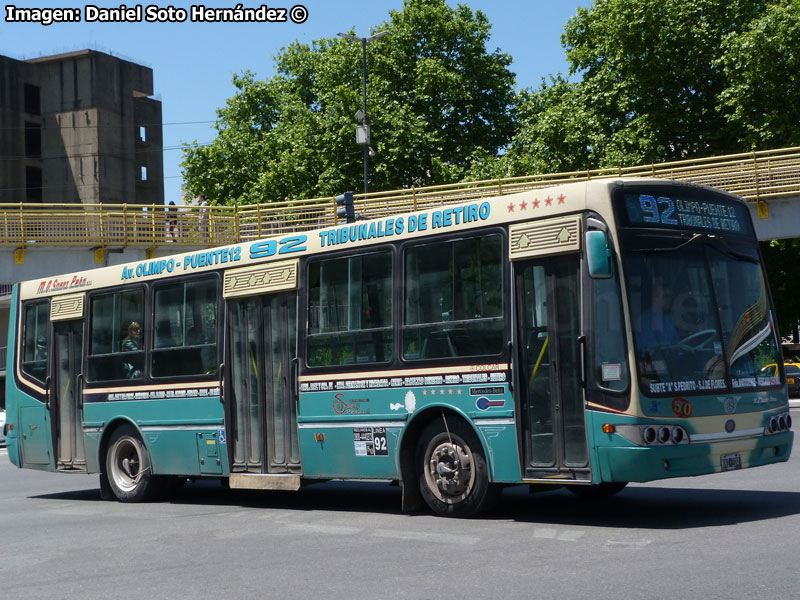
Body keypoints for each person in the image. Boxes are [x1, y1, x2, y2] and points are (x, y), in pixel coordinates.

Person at [635, 279, 679, 352]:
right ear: (654, 299)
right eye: (665, 296)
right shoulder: (644, 320)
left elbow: (676, 341)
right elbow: (652, 348)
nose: (670, 299)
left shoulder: (668, 318)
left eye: (670, 296)